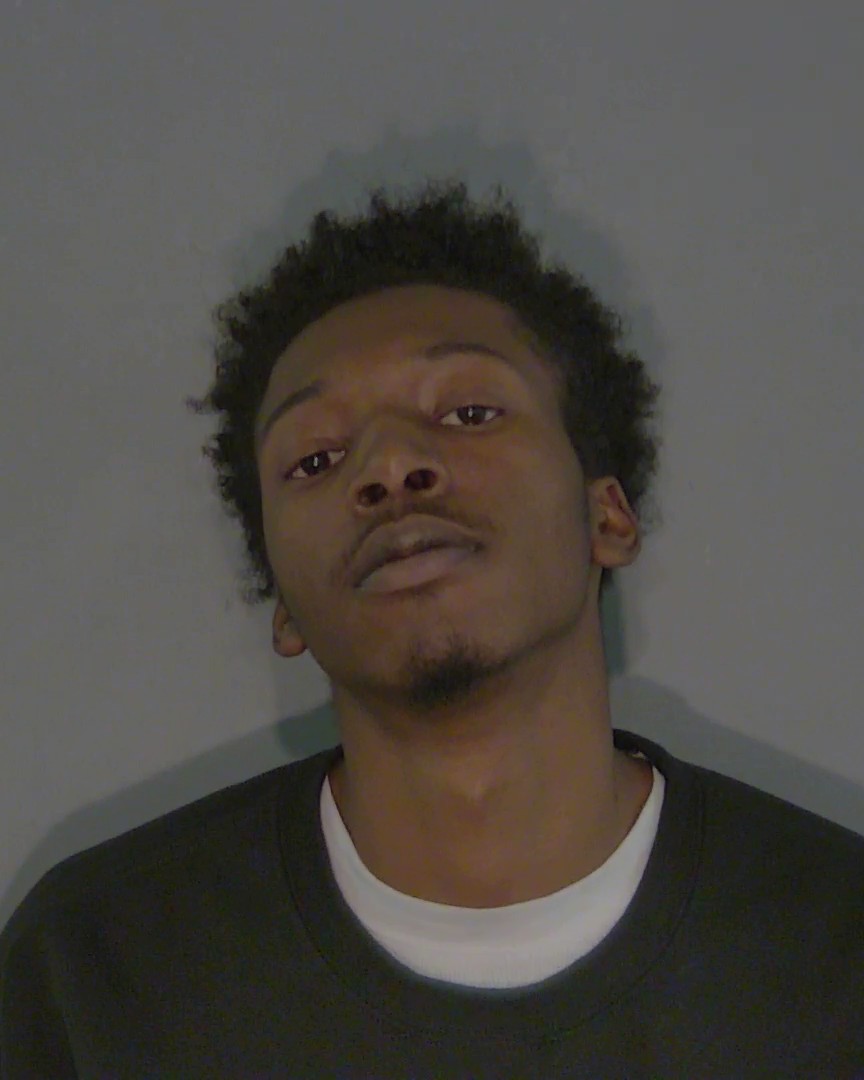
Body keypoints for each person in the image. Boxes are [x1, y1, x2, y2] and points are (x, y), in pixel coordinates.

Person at [1, 181, 862, 1077]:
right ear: (283, 604)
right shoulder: (96, 974)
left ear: (606, 517)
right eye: (316, 458)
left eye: (469, 413)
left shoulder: (837, 951)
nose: (389, 466)